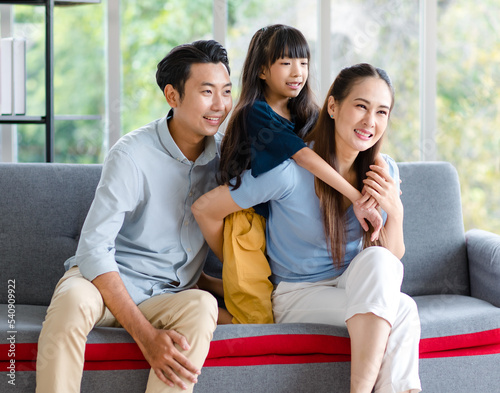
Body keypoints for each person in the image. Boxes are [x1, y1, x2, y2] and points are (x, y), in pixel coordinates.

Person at [192, 63, 421, 393]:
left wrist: (394, 213)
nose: (371, 122)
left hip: (355, 283)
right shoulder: (288, 173)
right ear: (333, 106)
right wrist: (234, 268)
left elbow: (392, 258)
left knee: (382, 263)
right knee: (404, 311)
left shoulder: (385, 172)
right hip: (297, 293)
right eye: (361, 106)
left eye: (381, 112)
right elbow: (205, 209)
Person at [36, 40, 233, 393]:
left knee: (202, 304)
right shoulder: (131, 154)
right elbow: (94, 249)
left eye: (226, 91)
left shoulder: (225, 160)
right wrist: (146, 337)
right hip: (105, 283)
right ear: (172, 96)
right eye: (207, 92)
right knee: (72, 301)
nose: (219, 105)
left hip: (168, 296)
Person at [217, 25, 383, 324]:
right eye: (286, 63)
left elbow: (351, 140)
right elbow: (305, 156)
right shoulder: (255, 112)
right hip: (247, 214)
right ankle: (215, 287)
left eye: (303, 63)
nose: (297, 72)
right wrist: (356, 196)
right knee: (255, 313)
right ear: (262, 70)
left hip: (281, 217)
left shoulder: (304, 110)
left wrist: (378, 167)